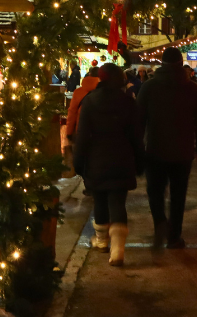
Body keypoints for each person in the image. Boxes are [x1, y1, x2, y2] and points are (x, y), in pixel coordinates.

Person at [73, 63, 144, 267]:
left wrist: (78, 163)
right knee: (118, 202)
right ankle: (118, 249)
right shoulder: (128, 102)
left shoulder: (91, 101)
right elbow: (136, 136)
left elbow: (82, 136)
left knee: (100, 200)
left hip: (96, 159)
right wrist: (140, 162)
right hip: (122, 159)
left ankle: (102, 241)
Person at [137, 47, 197, 249]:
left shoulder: (149, 87)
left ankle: (160, 223)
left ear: (162, 62)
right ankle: (174, 236)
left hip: (155, 149)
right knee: (178, 195)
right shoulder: (192, 89)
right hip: (183, 151)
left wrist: (137, 148)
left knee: (155, 192)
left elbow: (138, 120)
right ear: (180, 63)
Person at [65, 66, 100, 140]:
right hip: (100, 134)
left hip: (81, 132)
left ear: (89, 74)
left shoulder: (78, 92)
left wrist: (69, 132)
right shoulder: (105, 92)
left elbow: (72, 113)